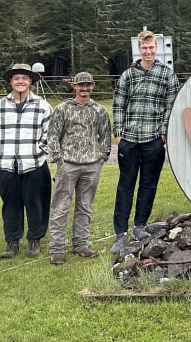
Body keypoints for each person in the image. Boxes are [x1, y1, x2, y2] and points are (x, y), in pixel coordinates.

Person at [110, 30, 180, 254]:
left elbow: (171, 105)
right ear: (139, 49)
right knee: (125, 185)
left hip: (153, 139)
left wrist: (163, 134)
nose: (148, 52)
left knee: (149, 184)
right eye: (144, 48)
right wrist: (118, 133)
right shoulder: (128, 75)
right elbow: (118, 104)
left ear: (156, 48)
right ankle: (120, 233)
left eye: (152, 48)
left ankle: (140, 226)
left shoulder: (166, 74)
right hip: (129, 139)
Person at [0, 63, 53, 259]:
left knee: (36, 203)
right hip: (7, 165)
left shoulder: (42, 106)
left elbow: (50, 134)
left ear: (30, 81)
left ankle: (34, 240)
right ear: (11, 82)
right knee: (11, 204)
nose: (20, 81)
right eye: (16, 78)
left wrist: (38, 151)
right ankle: (12, 242)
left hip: (35, 164)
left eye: (24, 78)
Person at [47, 72, 111, 265]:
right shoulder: (63, 109)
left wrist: (101, 158)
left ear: (92, 86)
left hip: (92, 165)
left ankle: (81, 244)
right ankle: (57, 248)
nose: (84, 88)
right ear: (74, 86)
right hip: (68, 164)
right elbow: (52, 136)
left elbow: (105, 136)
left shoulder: (99, 110)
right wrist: (59, 161)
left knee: (85, 206)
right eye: (80, 85)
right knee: (60, 206)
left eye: (88, 85)